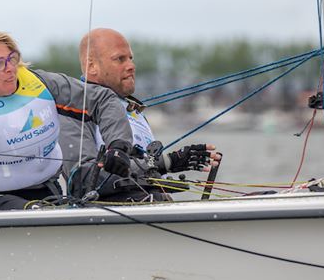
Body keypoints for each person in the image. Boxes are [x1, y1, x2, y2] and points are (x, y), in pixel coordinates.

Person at [0, 26, 134, 212]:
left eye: (12, 58)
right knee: (35, 211)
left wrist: (118, 145)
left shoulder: (39, 84)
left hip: (42, 192)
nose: (11, 69)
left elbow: (102, 99)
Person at [59, 27, 221, 202]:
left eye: (130, 58)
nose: (131, 66)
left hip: (152, 207)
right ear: (92, 67)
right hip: (113, 217)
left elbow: (145, 169)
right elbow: (81, 180)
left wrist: (172, 162)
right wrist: (166, 162)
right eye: (119, 59)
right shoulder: (75, 109)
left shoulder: (134, 111)